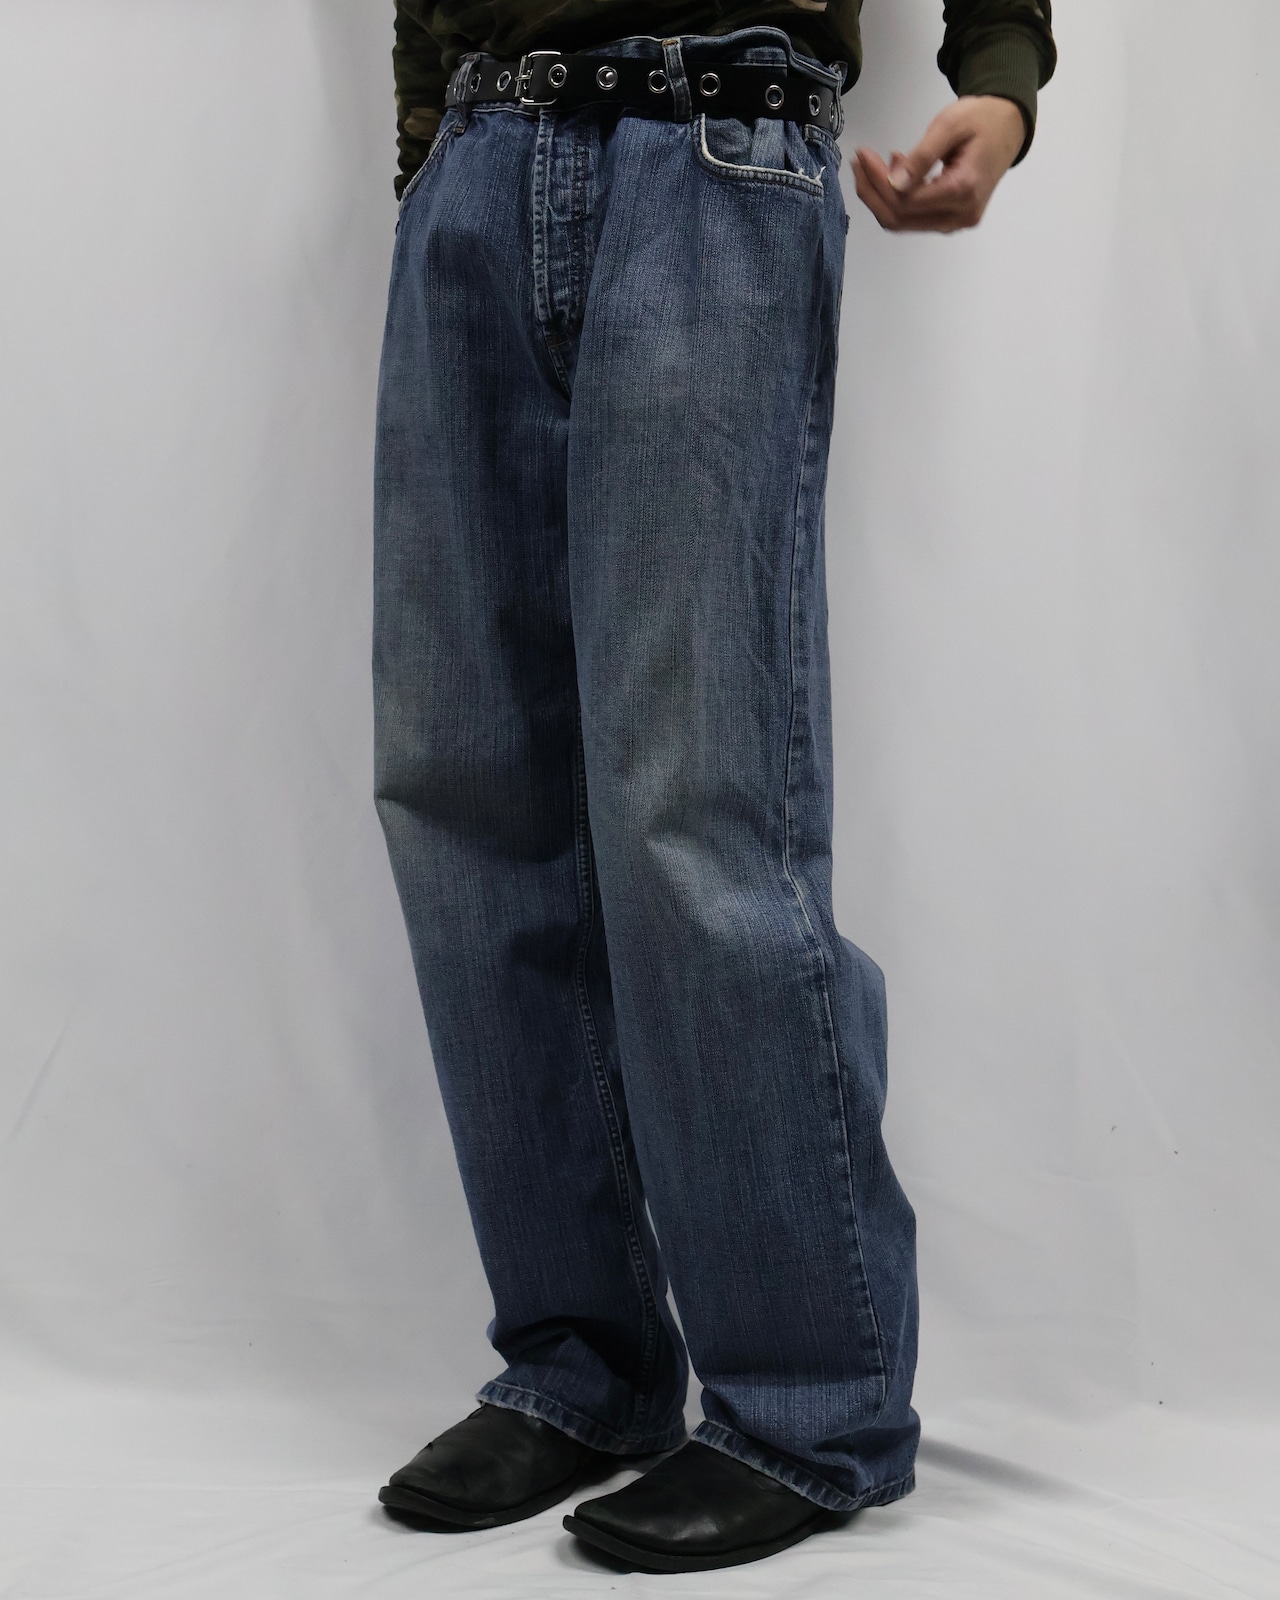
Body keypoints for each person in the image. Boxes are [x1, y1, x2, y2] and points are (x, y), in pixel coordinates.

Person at [371, 0, 1055, 1574]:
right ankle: (582, 1364)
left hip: (712, 142)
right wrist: (427, 150)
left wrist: (1003, 79)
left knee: (693, 803)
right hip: (478, 153)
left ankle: (810, 1409)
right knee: (460, 786)